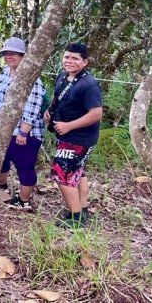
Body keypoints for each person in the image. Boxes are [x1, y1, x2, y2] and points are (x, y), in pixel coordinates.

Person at [44, 42, 103, 228]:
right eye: (67, 57)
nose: (69, 61)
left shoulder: (89, 84)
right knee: (78, 172)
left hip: (79, 138)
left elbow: (96, 113)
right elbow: (58, 95)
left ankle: (75, 217)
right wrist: (49, 110)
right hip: (67, 134)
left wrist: (69, 126)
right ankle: (83, 210)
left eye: (75, 58)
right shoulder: (63, 76)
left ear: (85, 62)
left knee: (62, 173)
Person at [0, 37, 46, 211]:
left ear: (23, 55)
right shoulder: (6, 72)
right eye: (6, 53)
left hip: (23, 132)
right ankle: (3, 187)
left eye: (13, 53)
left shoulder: (31, 77)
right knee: (1, 161)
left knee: (24, 165)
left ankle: (24, 200)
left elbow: (33, 105)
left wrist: (24, 131)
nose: (8, 56)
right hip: (3, 128)